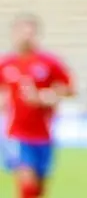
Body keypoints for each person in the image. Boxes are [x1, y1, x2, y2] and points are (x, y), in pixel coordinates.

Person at [0, 14, 73, 198]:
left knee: (39, 189)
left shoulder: (49, 63)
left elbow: (69, 89)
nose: (25, 36)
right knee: (27, 184)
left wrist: (47, 96)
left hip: (43, 133)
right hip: (16, 133)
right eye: (21, 32)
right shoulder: (6, 64)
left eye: (30, 32)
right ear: (13, 34)